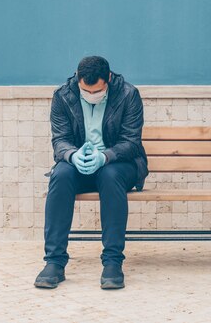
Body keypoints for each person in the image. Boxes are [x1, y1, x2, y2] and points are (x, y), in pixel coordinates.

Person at [34, 56, 148, 290]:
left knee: (110, 176)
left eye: (96, 91)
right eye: (85, 90)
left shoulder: (128, 94)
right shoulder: (63, 95)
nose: (90, 95)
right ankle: (54, 262)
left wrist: (104, 157)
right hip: (79, 162)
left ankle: (112, 262)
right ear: (77, 78)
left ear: (108, 79)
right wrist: (72, 155)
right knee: (61, 175)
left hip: (118, 163)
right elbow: (60, 140)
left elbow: (132, 142)